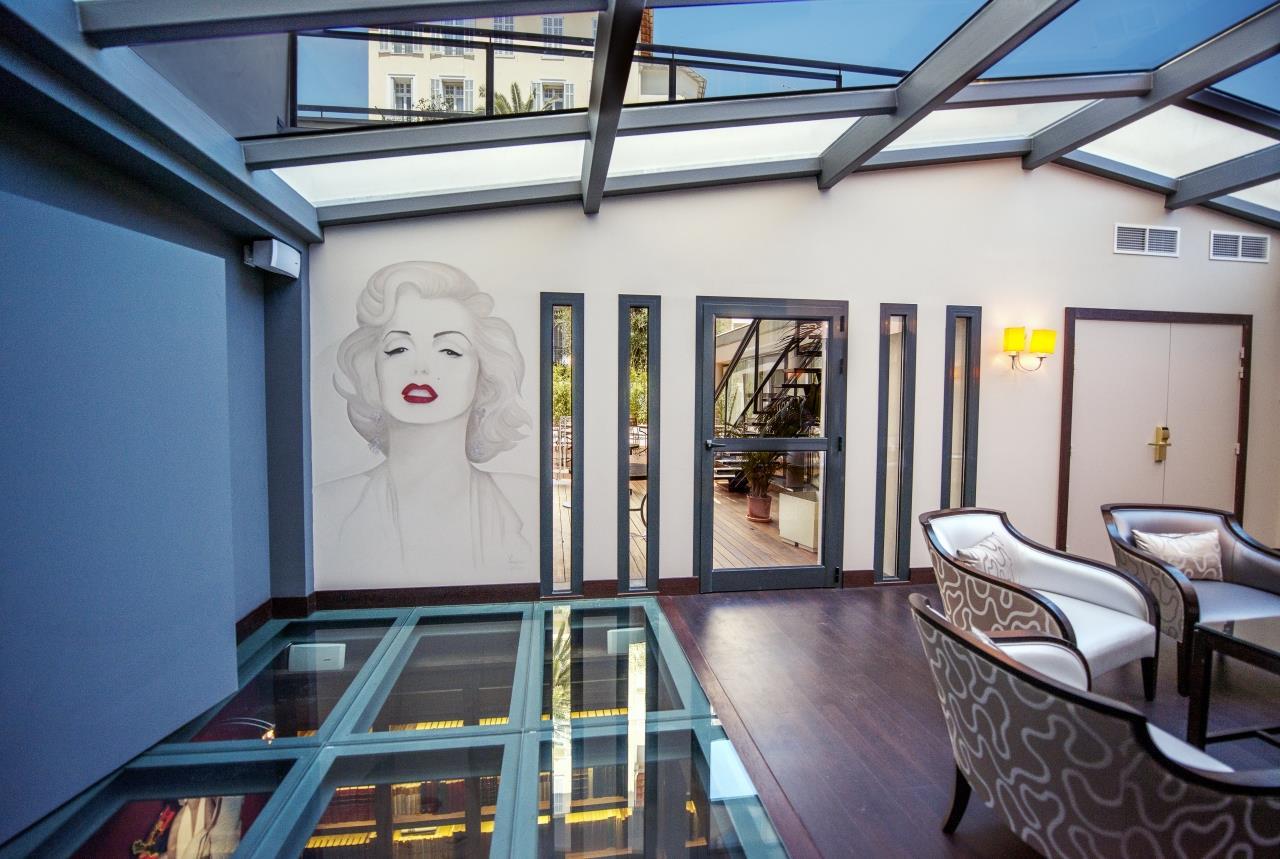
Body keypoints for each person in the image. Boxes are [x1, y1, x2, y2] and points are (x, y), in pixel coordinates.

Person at [316, 261, 533, 585]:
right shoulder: (329, 505)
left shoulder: (526, 500)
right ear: (371, 369)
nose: (420, 367)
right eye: (398, 348)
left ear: (484, 375)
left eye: (449, 350)